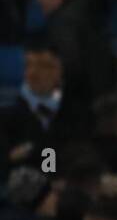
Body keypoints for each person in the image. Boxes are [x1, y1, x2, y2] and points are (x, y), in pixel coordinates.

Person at [0, 38, 86, 176]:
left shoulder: (77, 114)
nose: (33, 73)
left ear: (59, 72)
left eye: (43, 66)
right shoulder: (6, 118)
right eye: (28, 65)